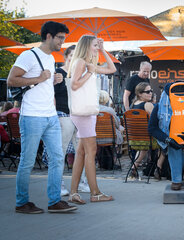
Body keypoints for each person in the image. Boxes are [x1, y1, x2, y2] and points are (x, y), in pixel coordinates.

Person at [7, 21, 77, 213]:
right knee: (27, 161)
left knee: (57, 158)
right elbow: (11, 79)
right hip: (31, 116)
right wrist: (40, 78)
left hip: (50, 116)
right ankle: (22, 203)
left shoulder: (50, 59)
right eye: (60, 38)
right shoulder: (28, 55)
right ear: (48, 36)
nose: (62, 42)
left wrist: (55, 80)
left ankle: (55, 201)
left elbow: (44, 85)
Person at [67, 35, 116, 204]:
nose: (97, 48)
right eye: (95, 45)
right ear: (87, 45)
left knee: (81, 152)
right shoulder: (81, 62)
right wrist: (90, 72)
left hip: (86, 112)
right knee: (91, 151)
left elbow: (112, 69)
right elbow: (74, 85)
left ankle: (73, 192)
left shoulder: (87, 64)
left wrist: (103, 50)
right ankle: (95, 192)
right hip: (84, 113)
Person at [54, 45, 90, 196]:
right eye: (71, 56)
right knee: (61, 150)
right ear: (66, 57)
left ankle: (82, 182)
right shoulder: (59, 73)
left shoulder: (81, 74)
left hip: (79, 114)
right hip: (63, 113)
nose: (74, 59)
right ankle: (59, 184)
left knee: (81, 150)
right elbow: (52, 95)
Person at [128, 82, 165, 179]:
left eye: (151, 91)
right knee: (166, 143)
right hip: (148, 140)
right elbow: (158, 120)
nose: (150, 93)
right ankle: (158, 167)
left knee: (144, 146)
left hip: (135, 139)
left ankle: (134, 168)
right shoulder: (148, 105)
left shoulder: (133, 105)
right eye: (147, 92)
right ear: (139, 94)